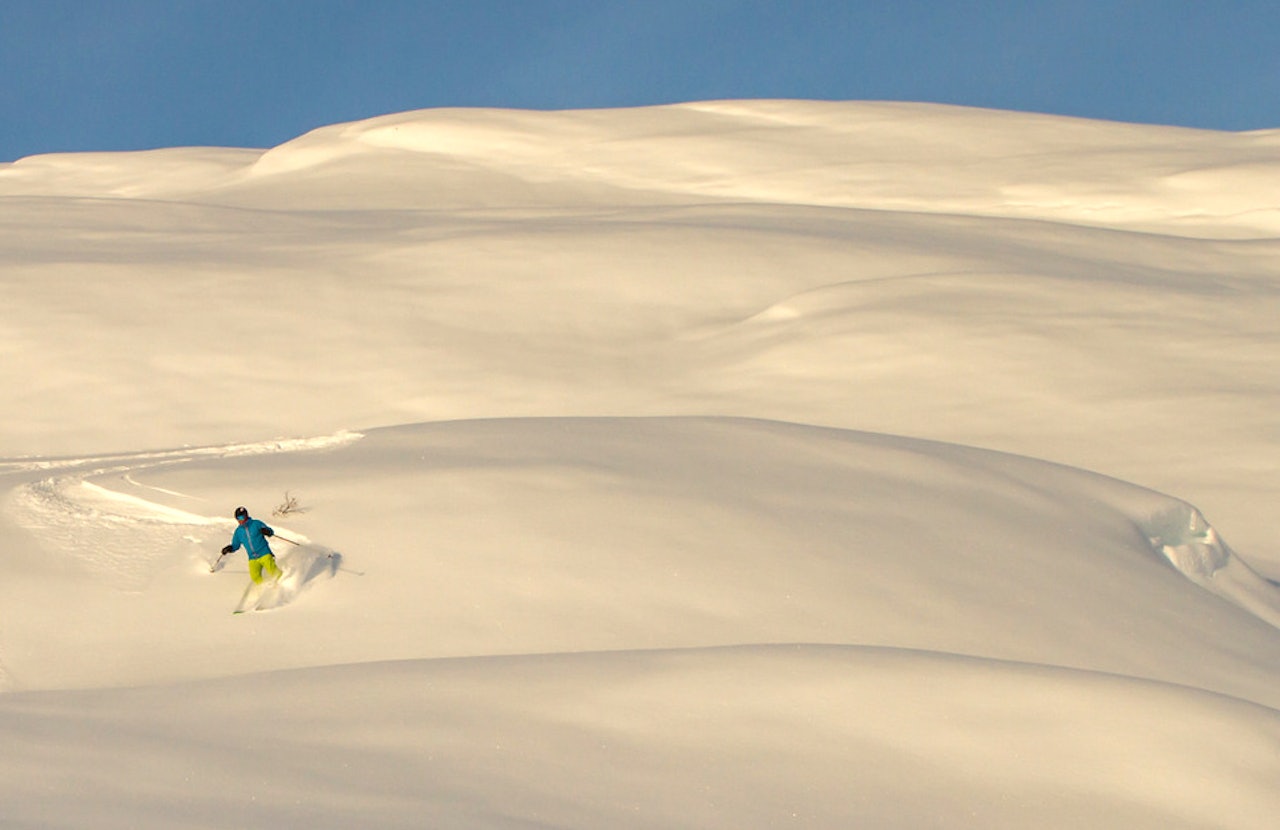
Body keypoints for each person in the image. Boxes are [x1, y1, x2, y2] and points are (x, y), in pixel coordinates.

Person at [221, 506, 283, 584]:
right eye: (238, 518)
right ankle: (264, 588)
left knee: (272, 570)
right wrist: (230, 548)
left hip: (264, 553)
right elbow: (235, 545)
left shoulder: (256, 523)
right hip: (252, 558)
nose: (241, 520)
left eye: (242, 517)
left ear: (246, 516)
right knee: (255, 576)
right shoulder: (238, 532)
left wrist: (267, 531)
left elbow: (270, 531)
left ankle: (283, 581)